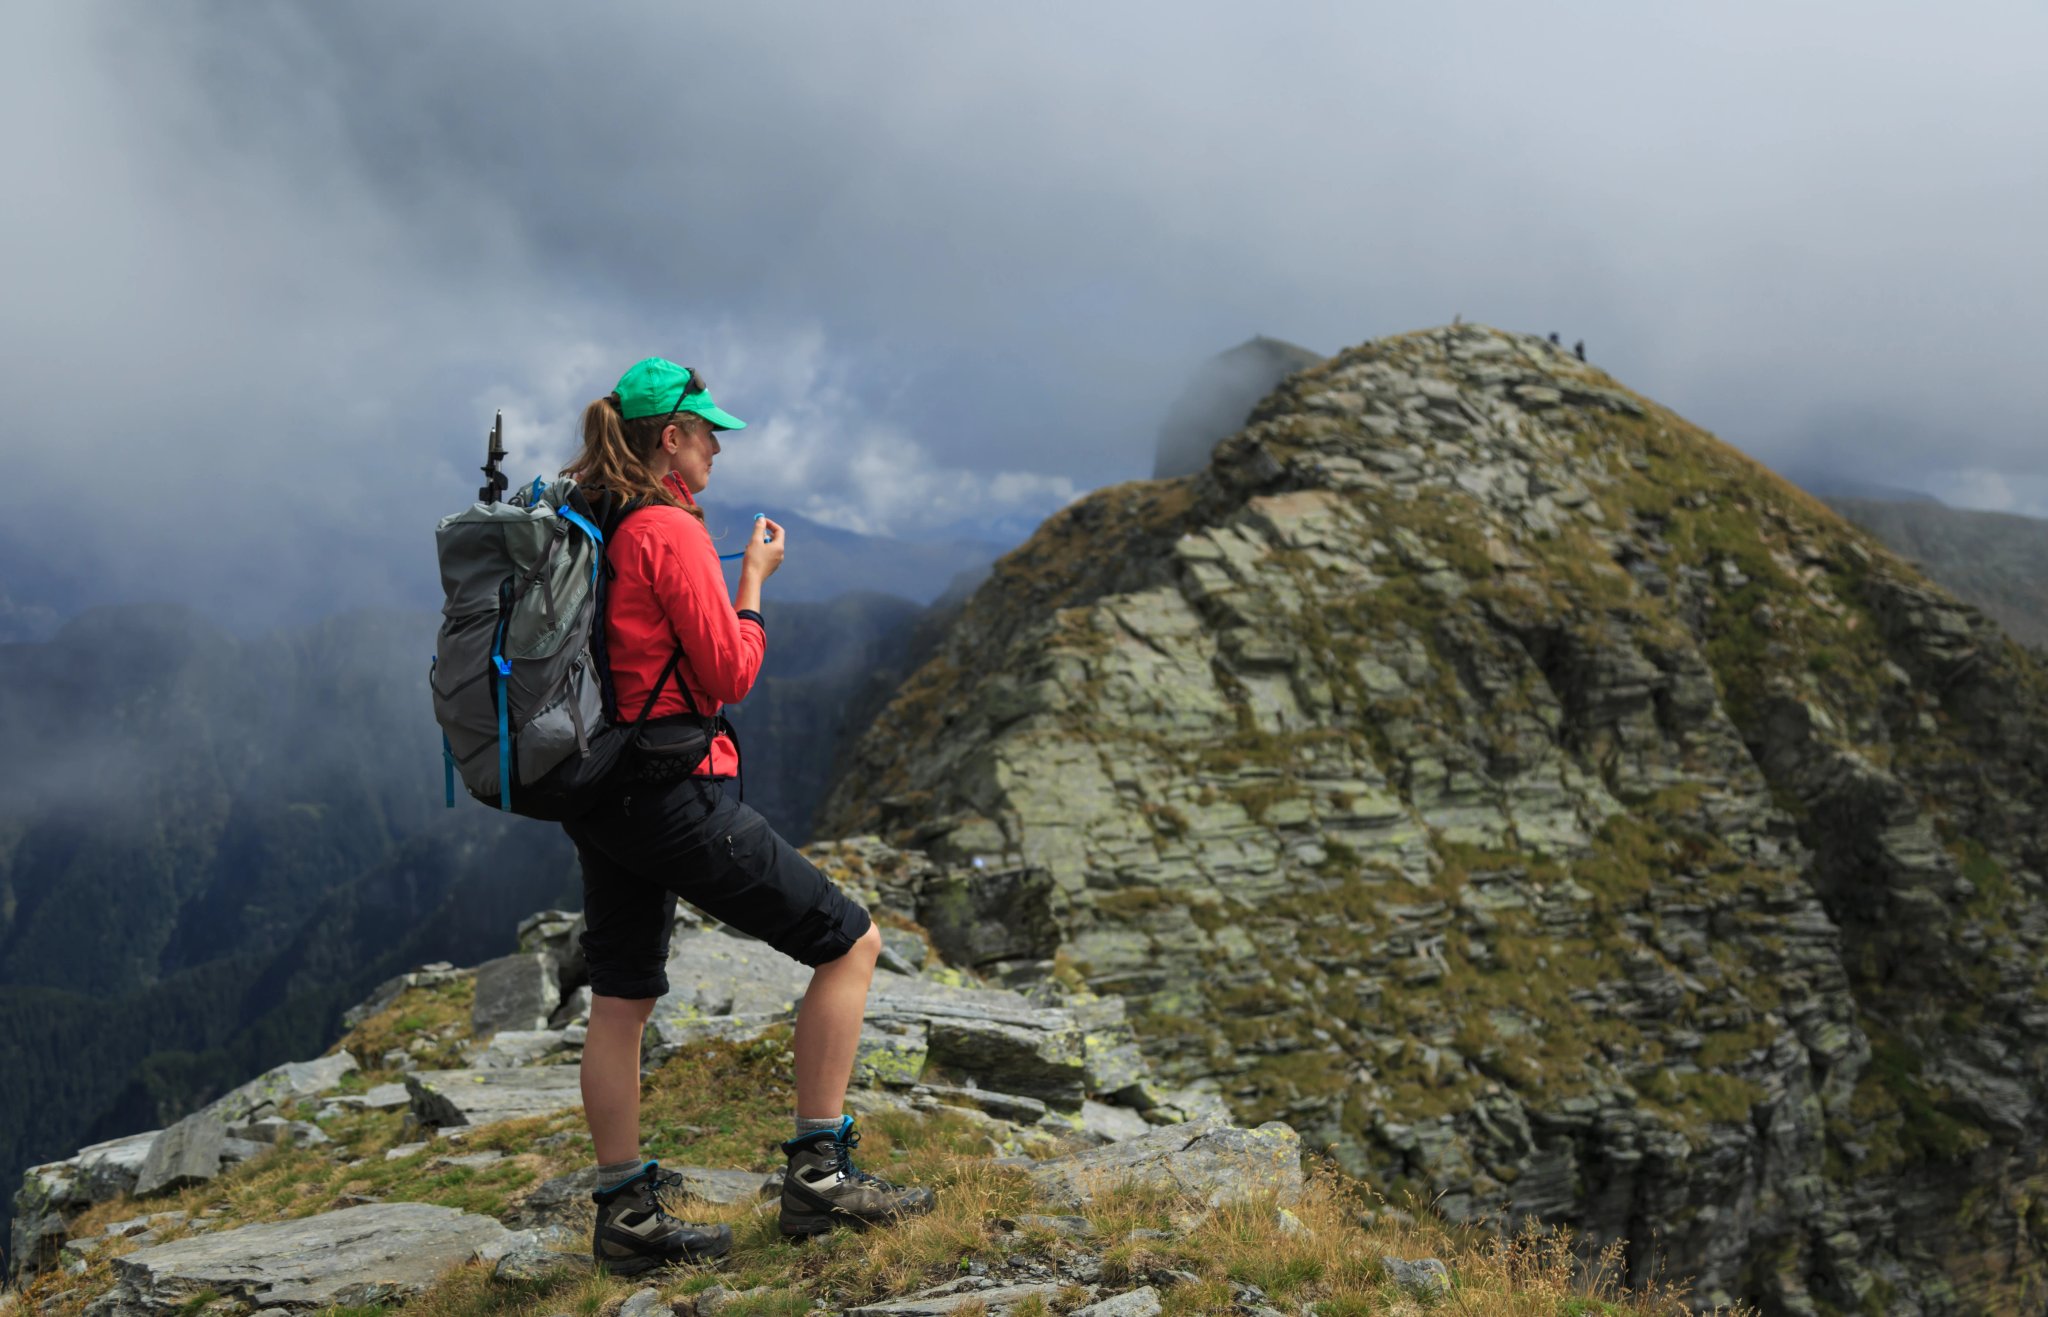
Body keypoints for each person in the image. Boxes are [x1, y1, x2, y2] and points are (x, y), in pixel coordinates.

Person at [558, 357, 934, 1273]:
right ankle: (820, 1177)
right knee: (850, 942)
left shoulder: (594, 521)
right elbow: (729, 672)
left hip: (599, 793)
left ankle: (625, 1219)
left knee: (622, 994)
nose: (718, 445)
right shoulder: (668, 529)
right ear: (668, 440)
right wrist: (755, 583)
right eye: (706, 430)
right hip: (673, 793)